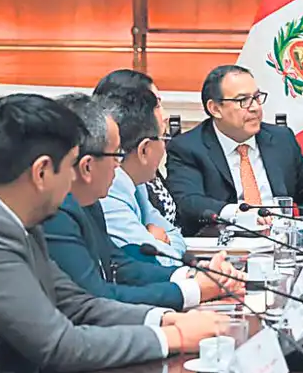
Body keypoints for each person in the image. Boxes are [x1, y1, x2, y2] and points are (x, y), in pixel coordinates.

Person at [0, 94, 222, 373]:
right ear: (42, 171)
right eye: (72, 164)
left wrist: (163, 319)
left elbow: (74, 303)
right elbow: (58, 344)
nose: (75, 179)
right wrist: (173, 338)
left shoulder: (11, 209)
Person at [42, 94, 244, 310]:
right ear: (87, 167)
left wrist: (192, 274)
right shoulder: (56, 214)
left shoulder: (88, 201)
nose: (118, 165)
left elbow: (118, 265)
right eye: (116, 154)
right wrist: (194, 290)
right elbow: (96, 297)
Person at [166, 65, 303, 236]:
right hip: (225, 246)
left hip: (283, 242)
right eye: (243, 100)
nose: (255, 107)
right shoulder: (188, 147)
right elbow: (189, 201)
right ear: (215, 108)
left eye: (257, 97)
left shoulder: (281, 139)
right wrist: (239, 213)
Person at [97, 87, 188, 265]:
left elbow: (176, 236)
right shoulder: (110, 188)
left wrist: (162, 242)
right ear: (144, 150)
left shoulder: (136, 182)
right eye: (163, 138)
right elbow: (159, 261)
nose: (165, 147)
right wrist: (157, 243)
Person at [93, 69, 178, 225]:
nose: (165, 116)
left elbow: (169, 230)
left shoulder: (140, 177)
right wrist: (154, 237)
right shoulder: (112, 182)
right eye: (157, 105)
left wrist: (161, 236)